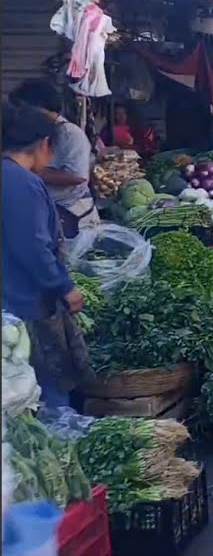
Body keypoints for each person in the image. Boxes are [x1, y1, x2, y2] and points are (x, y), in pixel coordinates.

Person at [1, 103, 87, 408]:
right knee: (46, 384)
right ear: (43, 145)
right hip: (22, 301)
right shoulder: (20, 182)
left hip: (11, 297)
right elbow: (34, 247)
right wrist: (64, 286)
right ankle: (59, 439)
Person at [11, 81, 100, 238]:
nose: (21, 114)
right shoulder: (34, 132)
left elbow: (77, 176)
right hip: (47, 211)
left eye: (25, 109)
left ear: (40, 107)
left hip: (72, 213)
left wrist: (29, 172)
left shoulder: (70, 134)